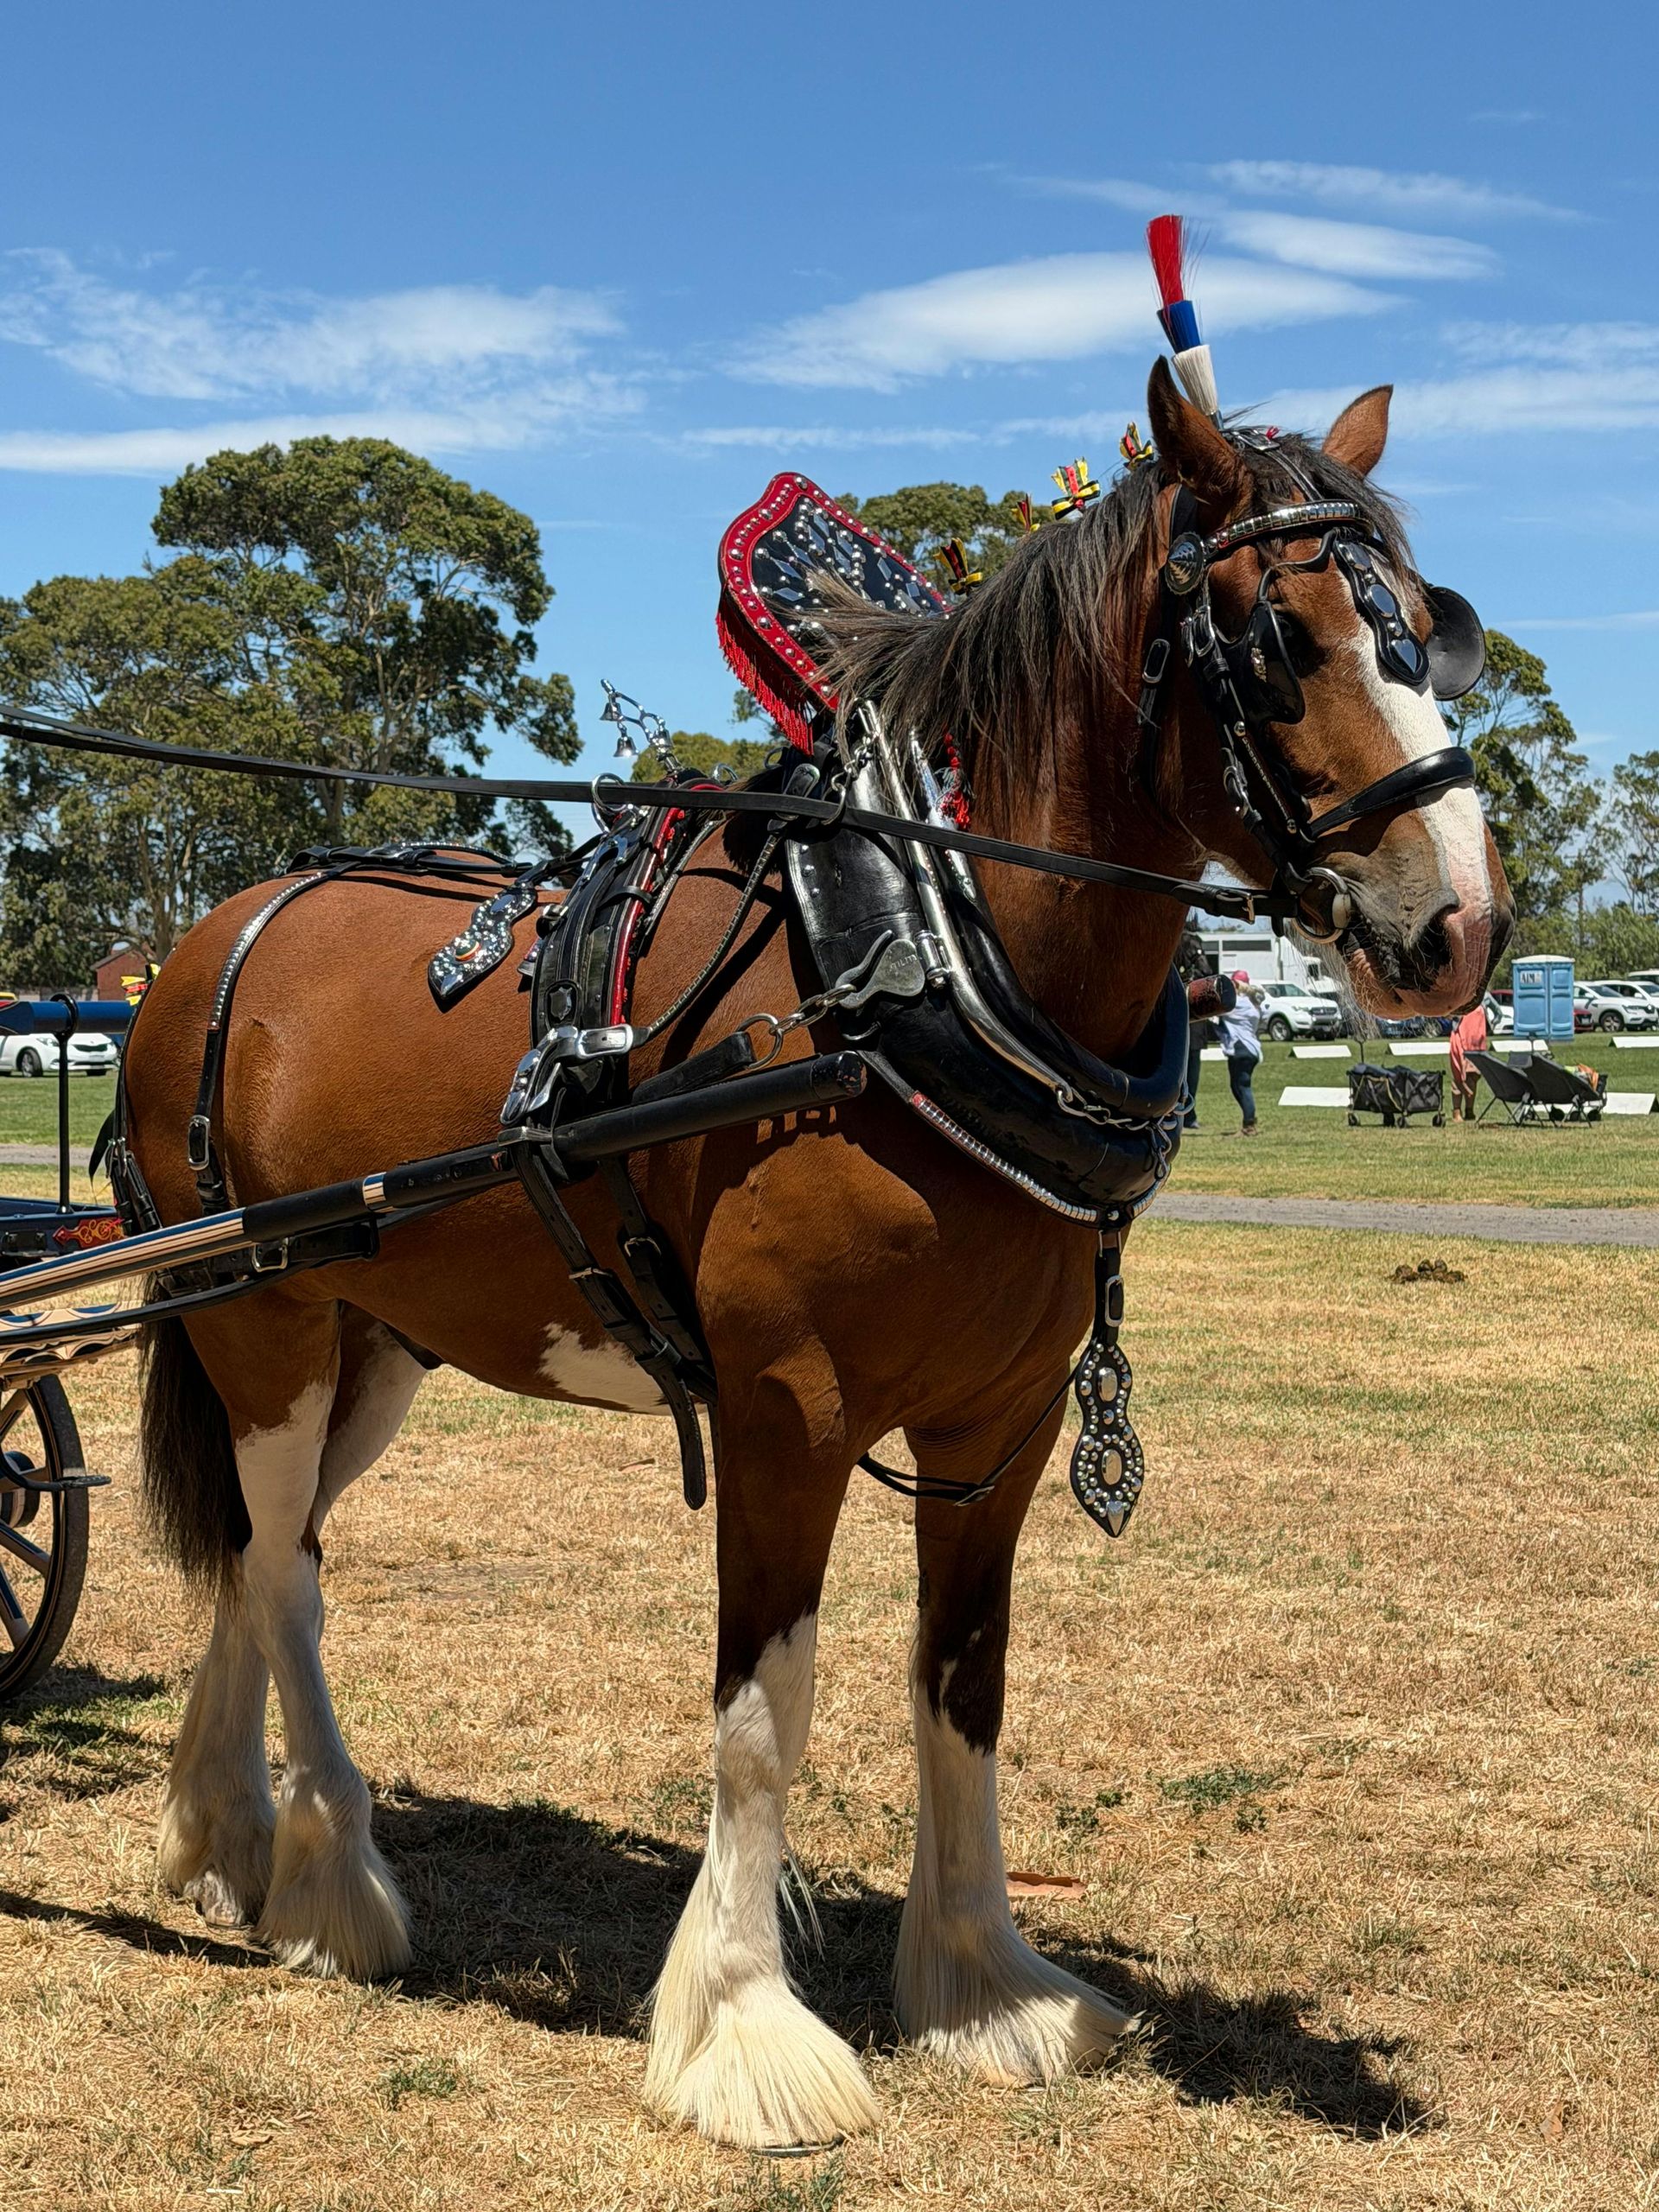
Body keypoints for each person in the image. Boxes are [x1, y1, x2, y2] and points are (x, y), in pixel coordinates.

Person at [1217, 969, 1262, 1135]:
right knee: (1238, 1086)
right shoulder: (1253, 1004)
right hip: (1252, 1048)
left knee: (1242, 1086)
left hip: (1240, 1047)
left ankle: (1249, 1124)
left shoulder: (1236, 1004)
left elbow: (1216, 1009)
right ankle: (1249, 1118)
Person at [1449, 995, 1490, 1122]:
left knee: (1472, 1077)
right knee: (1459, 1078)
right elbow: (1450, 1015)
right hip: (1460, 1041)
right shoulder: (1459, 997)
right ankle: (1457, 1111)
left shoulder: (1484, 997)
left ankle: (1469, 1110)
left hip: (1476, 1043)